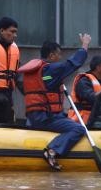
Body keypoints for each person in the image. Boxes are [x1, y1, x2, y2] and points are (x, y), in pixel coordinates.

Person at [19, 34, 92, 171]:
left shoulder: (40, 72)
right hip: (45, 118)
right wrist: (85, 45)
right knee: (78, 129)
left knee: (69, 120)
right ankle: (52, 150)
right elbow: (73, 63)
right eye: (59, 55)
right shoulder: (51, 69)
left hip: (35, 117)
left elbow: (46, 82)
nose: (60, 59)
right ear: (52, 56)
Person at [67, 55, 101, 124]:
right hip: (81, 121)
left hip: (95, 119)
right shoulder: (84, 81)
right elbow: (91, 97)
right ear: (98, 67)